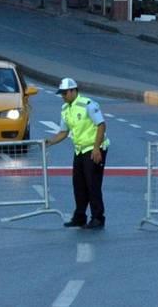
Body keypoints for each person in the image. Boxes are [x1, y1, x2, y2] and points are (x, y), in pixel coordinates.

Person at [45, 78, 110, 230]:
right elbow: (63, 132)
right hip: (80, 149)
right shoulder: (65, 109)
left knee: (93, 184)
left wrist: (96, 148)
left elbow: (101, 125)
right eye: (61, 93)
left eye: (65, 93)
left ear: (74, 91)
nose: (63, 96)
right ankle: (80, 217)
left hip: (94, 148)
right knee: (78, 185)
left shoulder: (88, 104)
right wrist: (49, 142)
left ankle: (98, 217)